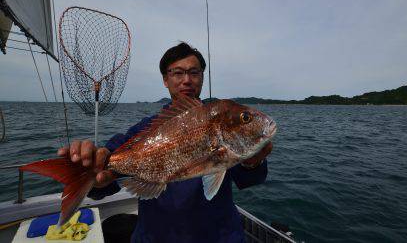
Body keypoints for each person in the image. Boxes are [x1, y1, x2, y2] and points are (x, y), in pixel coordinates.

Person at [57, 42, 273, 243]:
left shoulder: (219, 120)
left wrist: (252, 162)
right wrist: (92, 174)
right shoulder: (144, 129)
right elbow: (105, 181)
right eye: (177, 73)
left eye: (194, 72)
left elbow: (249, 179)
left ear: (202, 78)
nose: (186, 80)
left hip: (219, 236)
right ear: (165, 79)